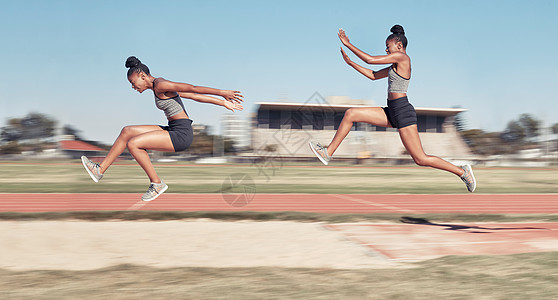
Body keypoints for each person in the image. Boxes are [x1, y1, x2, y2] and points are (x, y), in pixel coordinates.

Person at [309, 25, 476, 192]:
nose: (386, 50)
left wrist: (348, 44)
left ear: (399, 46)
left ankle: (462, 172)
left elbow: (370, 59)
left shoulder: (404, 58)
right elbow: (373, 75)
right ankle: (327, 152)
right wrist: (351, 63)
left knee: (420, 159)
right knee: (351, 114)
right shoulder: (393, 66)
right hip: (391, 111)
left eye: (388, 47)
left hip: (403, 112)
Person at [81, 56, 244, 201]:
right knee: (127, 131)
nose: (133, 87)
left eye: (132, 83)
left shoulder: (161, 84)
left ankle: (156, 183)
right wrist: (222, 103)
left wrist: (222, 93)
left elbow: (193, 88)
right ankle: (99, 170)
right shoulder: (156, 88)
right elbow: (193, 96)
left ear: (142, 76)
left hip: (181, 134)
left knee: (133, 144)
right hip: (172, 128)